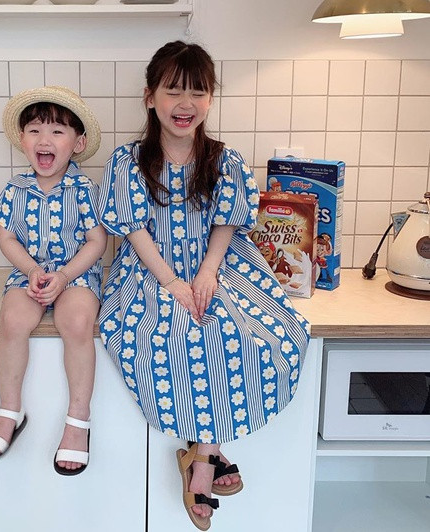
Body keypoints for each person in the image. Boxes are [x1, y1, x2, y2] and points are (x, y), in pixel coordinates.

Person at [99, 42, 310, 529]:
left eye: (198, 91)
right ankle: (205, 457)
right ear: (150, 97)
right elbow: (133, 230)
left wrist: (209, 271)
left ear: (211, 99)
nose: (185, 103)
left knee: (259, 331)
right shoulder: (128, 160)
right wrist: (172, 281)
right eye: (173, 90)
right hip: (150, 268)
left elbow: (227, 224)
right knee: (176, 330)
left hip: (221, 262)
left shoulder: (224, 159)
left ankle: (202, 451)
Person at [0, 86, 107, 477]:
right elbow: (7, 239)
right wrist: (33, 270)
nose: (44, 139)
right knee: (13, 320)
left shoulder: (85, 190)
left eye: (57, 131)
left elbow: (97, 242)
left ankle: (78, 419)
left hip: (76, 273)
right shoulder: (14, 189)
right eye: (34, 130)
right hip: (28, 272)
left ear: (77, 143)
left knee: (77, 322)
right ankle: (9, 411)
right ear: (22, 140)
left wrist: (65, 275)